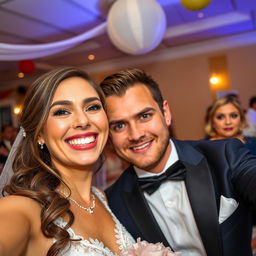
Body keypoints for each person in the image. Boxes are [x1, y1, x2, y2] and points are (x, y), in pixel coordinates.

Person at [99, 68, 256, 256]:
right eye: (119, 126)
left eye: (144, 116)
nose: (136, 134)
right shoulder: (113, 202)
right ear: (108, 134)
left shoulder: (225, 155)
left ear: (165, 112)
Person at [0, 67, 134, 256]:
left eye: (93, 107)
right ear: (40, 134)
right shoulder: (23, 207)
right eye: (62, 111)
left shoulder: (102, 198)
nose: (82, 121)